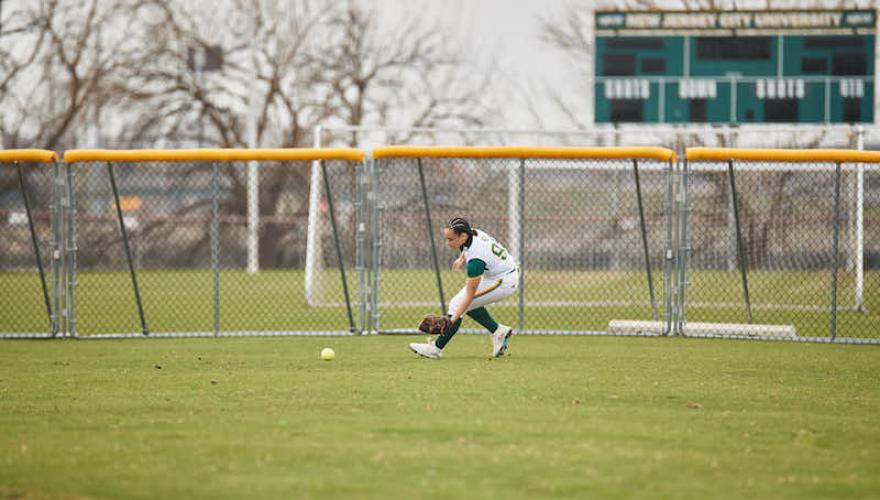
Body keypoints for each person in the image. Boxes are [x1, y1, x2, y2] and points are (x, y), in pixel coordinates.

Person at [409, 217, 518, 359]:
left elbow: (469, 295)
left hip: (503, 281)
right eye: (447, 239)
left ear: (463, 235)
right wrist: (461, 258)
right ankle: (498, 331)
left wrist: (451, 321)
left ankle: (435, 349)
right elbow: (468, 248)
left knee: (458, 304)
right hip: (499, 272)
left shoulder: (475, 262)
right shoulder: (473, 233)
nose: (448, 243)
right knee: (465, 304)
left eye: (451, 239)